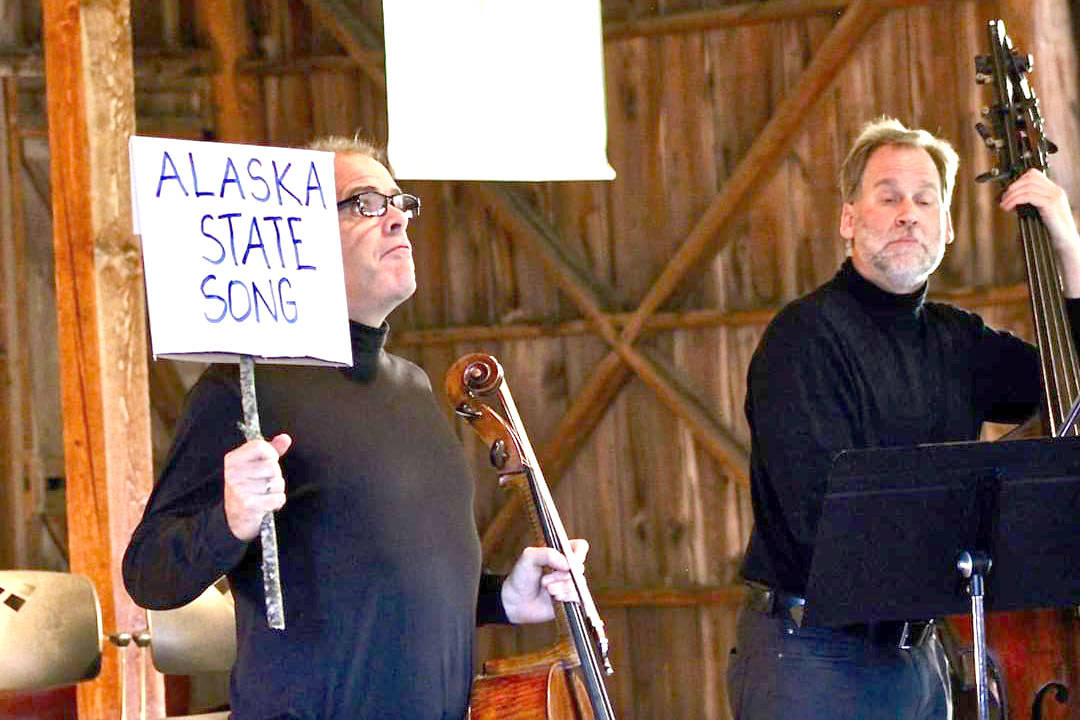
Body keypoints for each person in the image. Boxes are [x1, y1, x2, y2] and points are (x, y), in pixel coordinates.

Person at [123, 135, 587, 720]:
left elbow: (385, 587)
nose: (397, 219)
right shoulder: (240, 393)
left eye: (400, 203)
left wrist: (503, 598)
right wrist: (230, 520)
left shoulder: (415, 388)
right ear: (300, 239)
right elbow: (148, 576)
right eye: (365, 203)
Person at [726, 117, 1080, 720]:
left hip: (920, 661)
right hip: (813, 655)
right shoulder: (804, 338)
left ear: (945, 226)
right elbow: (824, 523)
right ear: (849, 220)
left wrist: (1066, 240)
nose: (907, 213)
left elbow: (1066, 381)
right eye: (887, 196)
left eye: (925, 200)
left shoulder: (957, 339)